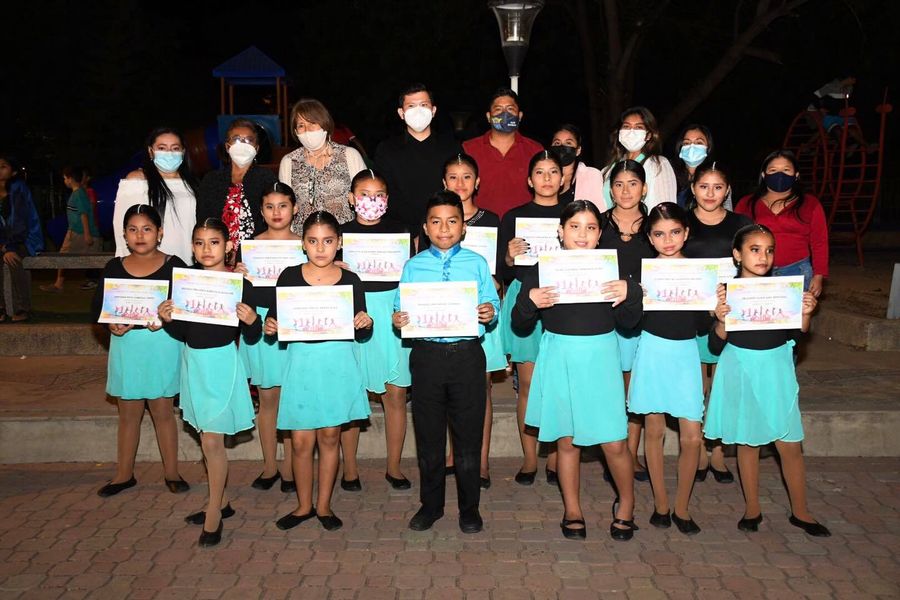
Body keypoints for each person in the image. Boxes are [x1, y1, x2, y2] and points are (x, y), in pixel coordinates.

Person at [513, 200, 641, 541]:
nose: (582, 234)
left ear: (599, 234)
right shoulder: (543, 269)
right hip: (560, 356)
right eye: (574, 226)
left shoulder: (612, 269)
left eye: (590, 227)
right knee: (567, 441)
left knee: (614, 442)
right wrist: (529, 301)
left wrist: (631, 293)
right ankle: (572, 509)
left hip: (600, 358)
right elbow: (519, 323)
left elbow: (630, 322)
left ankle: (627, 504)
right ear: (560, 231)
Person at [705, 223, 831, 537]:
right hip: (741, 366)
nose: (763, 257)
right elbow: (715, 344)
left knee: (790, 442)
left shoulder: (783, 290)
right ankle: (752, 508)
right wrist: (720, 319)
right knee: (748, 442)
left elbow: (797, 333)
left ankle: (801, 511)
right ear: (737, 254)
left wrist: (806, 312)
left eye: (769, 250)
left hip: (775, 368)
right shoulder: (726, 293)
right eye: (755, 250)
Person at [392, 191, 499, 533]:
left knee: (467, 437)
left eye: (452, 221)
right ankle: (431, 506)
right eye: (436, 222)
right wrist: (398, 318)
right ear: (425, 228)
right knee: (429, 436)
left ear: (463, 227)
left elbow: (492, 302)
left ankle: (469, 509)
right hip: (427, 358)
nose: (444, 228)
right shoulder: (413, 266)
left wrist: (489, 311)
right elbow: (399, 307)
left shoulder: (477, 263)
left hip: (467, 356)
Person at [264, 211, 373, 532]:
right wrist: (270, 325)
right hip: (302, 367)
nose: (320, 248)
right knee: (300, 442)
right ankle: (303, 506)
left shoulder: (351, 280)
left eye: (327, 241)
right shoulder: (289, 277)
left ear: (339, 243)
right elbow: (274, 318)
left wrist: (366, 322)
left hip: (337, 366)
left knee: (329, 437)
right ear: (303, 244)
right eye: (313, 241)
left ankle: (323, 506)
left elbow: (362, 329)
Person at [158, 218, 261, 547]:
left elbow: (254, 333)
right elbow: (183, 331)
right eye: (200, 243)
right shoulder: (186, 282)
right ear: (192, 247)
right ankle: (222, 501)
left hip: (222, 365)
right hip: (194, 365)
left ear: (228, 246)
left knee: (212, 442)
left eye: (214, 242)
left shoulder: (239, 284)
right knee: (205, 437)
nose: (206, 249)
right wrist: (168, 318)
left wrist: (252, 320)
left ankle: (214, 513)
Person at [91, 205, 189, 498]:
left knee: (163, 412)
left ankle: (172, 472)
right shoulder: (114, 267)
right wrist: (110, 325)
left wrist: (169, 318)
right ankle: (124, 475)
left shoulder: (175, 266)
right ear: (124, 234)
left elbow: (187, 306)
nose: (140, 235)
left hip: (161, 347)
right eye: (133, 230)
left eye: (147, 229)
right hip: (128, 348)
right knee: (128, 414)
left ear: (159, 233)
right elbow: (98, 308)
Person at [627, 202, 711, 536]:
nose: (668, 240)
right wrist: (636, 296)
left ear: (686, 233)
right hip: (652, 351)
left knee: (692, 436)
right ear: (650, 238)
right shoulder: (643, 274)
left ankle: (682, 507)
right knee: (654, 430)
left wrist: (715, 307)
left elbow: (702, 326)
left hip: (685, 353)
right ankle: (661, 504)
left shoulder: (700, 273)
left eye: (675, 232)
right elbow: (631, 321)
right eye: (660, 234)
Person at [339, 170, 413, 491]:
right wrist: (332, 266)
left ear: (387, 199)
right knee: (352, 391)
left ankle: (394, 466)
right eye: (364, 194)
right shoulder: (340, 235)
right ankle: (349, 469)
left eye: (379, 194)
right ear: (351, 198)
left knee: (395, 393)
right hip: (353, 312)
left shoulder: (401, 232)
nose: (372, 200)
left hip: (392, 315)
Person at [498, 151, 568, 486]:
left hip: (562, 300)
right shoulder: (513, 217)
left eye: (553, 171)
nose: (547, 178)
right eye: (540, 172)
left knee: (556, 382)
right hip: (524, 299)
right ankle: (529, 459)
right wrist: (509, 257)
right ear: (529, 180)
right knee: (526, 383)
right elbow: (502, 271)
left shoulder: (573, 214)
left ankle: (554, 458)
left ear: (562, 179)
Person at [682, 161, 752, 484]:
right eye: (703, 186)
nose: (710, 193)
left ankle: (719, 452)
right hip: (692, 314)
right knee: (698, 387)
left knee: (724, 386)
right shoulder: (681, 222)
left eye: (718, 187)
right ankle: (697, 451)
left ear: (727, 191)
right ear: (692, 188)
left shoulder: (741, 224)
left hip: (730, 314)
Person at [440, 154, 505, 488]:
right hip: (446, 316)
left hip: (482, 315)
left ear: (477, 182)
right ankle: (454, 454)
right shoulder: (435, 218)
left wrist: (499, 278)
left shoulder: (492, 220)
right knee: (449, 386)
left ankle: (480, 460)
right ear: (444, 182)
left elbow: (503, 271)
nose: (460, 183)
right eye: (453, 177)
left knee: (482, 389)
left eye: (467, 177)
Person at [234, 182, 299, 494]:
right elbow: (238, 295)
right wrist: (236, 276)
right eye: (270, 207)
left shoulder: (305, 246)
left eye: (283, 205)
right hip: (259, 325)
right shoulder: (249, 248)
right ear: (261, 211)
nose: (276, 212)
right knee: (268, 398)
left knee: (290, 397)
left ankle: (291, 467)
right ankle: (270, 466)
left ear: (294, 209)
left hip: (293, 322)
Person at [599, 160, 656, 482]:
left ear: (644, 188)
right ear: (611, 190)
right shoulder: (598, 224)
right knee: (610, 387)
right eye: (619, 184)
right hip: (604, 317)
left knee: (635, 387)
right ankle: (613, 452)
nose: (625, 191)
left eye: (632, 184)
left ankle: (631, 455)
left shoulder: (655, 226)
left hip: (644, 317)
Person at [734, 150, 828, 297]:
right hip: (756, 272)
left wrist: (819, 275)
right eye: (773, 170)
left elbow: (819, 242)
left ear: (796, 175)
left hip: (797, 271)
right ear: (764, 175)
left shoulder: (810, 203)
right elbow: (735, 239)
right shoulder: (746, 203)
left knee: (797, 312)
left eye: (786, 170)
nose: (780, 175)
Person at [374, 83, 460, 235]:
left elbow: (457, 191)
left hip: (442, 230)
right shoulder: (386, 150)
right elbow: (385, 194)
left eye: (424, 105)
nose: (418, 111)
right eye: (411, 106)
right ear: (401, 113)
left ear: (433, 110)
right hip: (400, 231)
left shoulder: (451, 148)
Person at [113, 127, 199, 264]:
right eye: (162, 148)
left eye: (175, 148)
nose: (169, 153)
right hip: (150, 265)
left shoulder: (192, 184)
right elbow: (122, 226)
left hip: (187, 263)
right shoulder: (137, 180)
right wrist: (127, 265)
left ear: (183, 152)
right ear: (150, 151)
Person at [197, 118, 278, 265]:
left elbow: (274, 219)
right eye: (236, 139)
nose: (243, 144)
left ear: (256, 148)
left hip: (256, 257)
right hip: (217, 257)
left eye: (248, 140)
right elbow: (204, 221)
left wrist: (244, 254)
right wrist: (224, 252)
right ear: (227, 146)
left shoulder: (266, 178)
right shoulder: (211, 180)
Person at [278, 99, 366, 228]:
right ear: (295, 131)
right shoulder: (289, 162)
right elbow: (285, 206)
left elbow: (365, 197)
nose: (307, 130)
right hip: (302, 237)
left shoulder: (349, 155)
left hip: (342, 236)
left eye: (312, 123)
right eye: (301, 125)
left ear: (325, 124)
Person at [462, 88, 543, 218]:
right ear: (489, 117)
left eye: (510, 109)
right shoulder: (468, 149)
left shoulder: (535, 150)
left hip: (522, 225)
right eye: (498, 109)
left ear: (520, 116)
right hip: (480, 225)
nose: (504, 114)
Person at [600, 107, 676, 211]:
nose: (631, 131)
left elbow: (665, 209)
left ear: (649, 135)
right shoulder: (608, 170)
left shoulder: (658, 165)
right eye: (626, 126)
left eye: (638, 127)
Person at [40, 166, 100, 293]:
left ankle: (58, 285)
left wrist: (87, 234)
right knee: (88, 258)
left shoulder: (78, 194)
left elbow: (84, 214)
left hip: (78, 232)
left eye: (65, 178)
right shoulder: (79, 193)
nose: (64, 181)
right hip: (79, 231)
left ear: (70, 179)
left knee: (64, 256)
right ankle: (59, 284)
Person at [0, 153, 42, 322]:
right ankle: (1, 307)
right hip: (3, 242)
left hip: (24, 238)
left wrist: (9, 247)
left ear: (13, 172)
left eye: (3, 167)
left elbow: (21, 221)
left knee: (14, 260)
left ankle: (22, 307)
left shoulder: (19, 189)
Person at [672, 124, 733, 211]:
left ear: (708, 147)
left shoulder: (718, 177)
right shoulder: (670, 176)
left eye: (699, 143)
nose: (692, 147)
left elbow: (726, 213)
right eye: (686, 143)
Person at [550, 124, 607, 210]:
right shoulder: (544, 175)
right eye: (557, 143)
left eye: (568, 143)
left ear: (578, 150)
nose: (562, 147)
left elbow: (599, 210)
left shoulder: (591, 175)